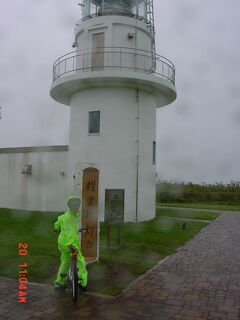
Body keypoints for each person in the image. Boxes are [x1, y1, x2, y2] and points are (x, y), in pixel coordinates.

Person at [53, 196, 88, 291]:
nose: (76, 207)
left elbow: (59, 223)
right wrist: (71, 245)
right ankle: (82, 282)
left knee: (65, 262)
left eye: (77, 205)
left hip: (62, 243)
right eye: (74, 205)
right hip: (69, 243)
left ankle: (60, 283)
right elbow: (69, 233)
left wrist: (56, 228)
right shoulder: (68, 216)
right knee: (80, 260)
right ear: (70, 206)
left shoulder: (68, 216)